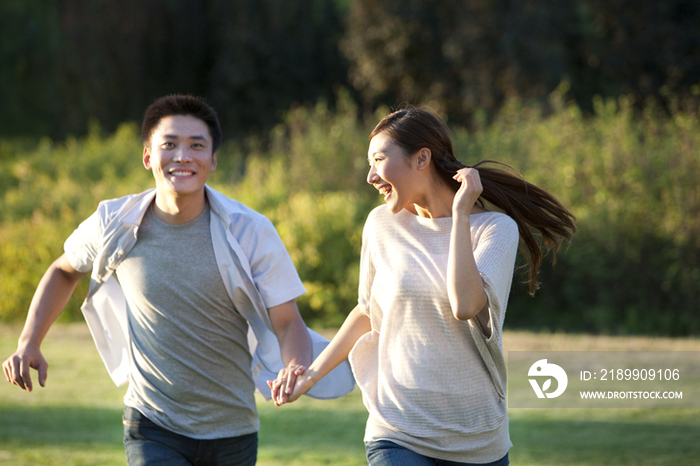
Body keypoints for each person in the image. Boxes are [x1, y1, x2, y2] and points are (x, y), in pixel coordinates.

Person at [2, 94, 354, 466]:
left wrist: (295, 367)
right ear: (148, 156)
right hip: (151, 423)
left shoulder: (250, 231)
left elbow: (287, 322)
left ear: (213, 160)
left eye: (196, 146)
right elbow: (63, 269)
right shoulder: (114, 222)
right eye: (169, 145)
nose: (183, 156)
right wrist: (29, 341)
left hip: (233, 429)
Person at [270, 107, 576, 465]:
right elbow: (368, 311)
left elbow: (465, 305)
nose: (370, 176)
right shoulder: (381, 224)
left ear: (422, 158)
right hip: (397, 429)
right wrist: (312, 375)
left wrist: (460, 215)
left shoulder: (495, 230)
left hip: (477, 439)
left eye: (379, 159)